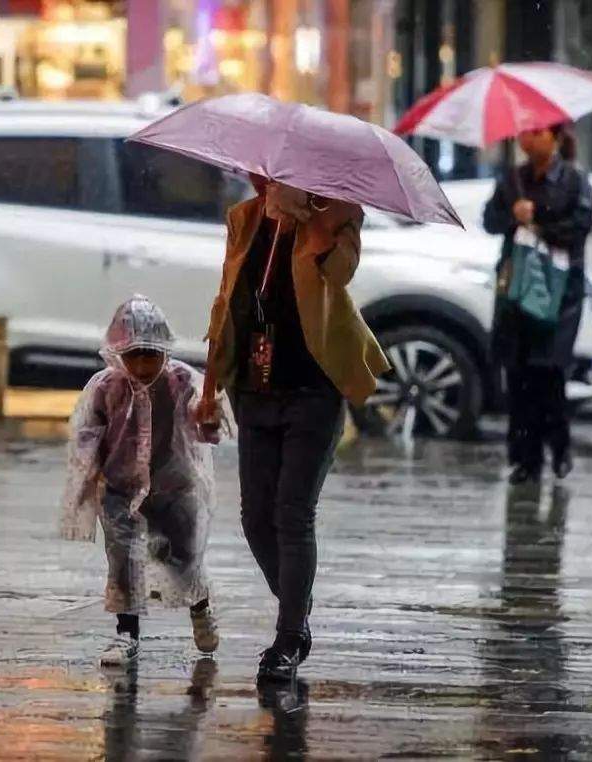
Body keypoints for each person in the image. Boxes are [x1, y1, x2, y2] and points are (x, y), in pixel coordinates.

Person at [197, 179, 389, 682]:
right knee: (255, 516)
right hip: (256, 389)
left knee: (292, 512)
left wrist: (316, 224)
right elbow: (226, 302)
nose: (265, 181)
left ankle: (286, 641)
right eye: (261, 175)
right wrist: (209, 388)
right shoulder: (245, 218)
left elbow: (341, 275)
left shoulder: (340, 211)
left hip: (314, 388)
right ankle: (297, 608)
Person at [60, 295, 232, 667]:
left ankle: (200, 605)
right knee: (123, 561)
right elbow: (86, 433)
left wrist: (208, 415)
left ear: (165, 351)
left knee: (182, 558)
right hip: (120, 489)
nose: (141, 365)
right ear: (118, 352)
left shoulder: (184, 383)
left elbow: (207, 429)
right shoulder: (106, 388)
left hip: (174, 489)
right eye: (133, 355)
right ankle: (126, 633)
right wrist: (87, 477)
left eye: (150, 355)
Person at [483, 124, 592, 485]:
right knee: (518, 374)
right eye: (525, 133)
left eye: (538, 132)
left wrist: (540, 219)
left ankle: (559, 447)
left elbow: (580, 226)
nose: (529, 139)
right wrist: (512, 215)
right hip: (517, 289)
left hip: (560, 292)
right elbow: (490, 220)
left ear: (557, 137)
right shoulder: (512, 179)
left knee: (548, 372)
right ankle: (524, 459)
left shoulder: (575, 180)